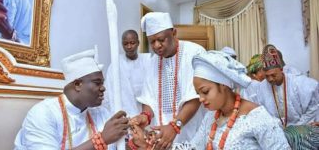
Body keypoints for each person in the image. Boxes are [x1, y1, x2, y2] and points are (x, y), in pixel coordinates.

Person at [130, 51, 291, 149]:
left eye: (205, 91)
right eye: (198, 93)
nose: (201, 99)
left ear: (224, 85)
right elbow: (193, 148)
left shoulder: (257, 117)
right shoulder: (211, 117)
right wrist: (147, 143)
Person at [14, 46, 129, 149]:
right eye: (97, 83)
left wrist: (133, 142)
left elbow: (117, 145)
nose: (103, 88)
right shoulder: (43, 113)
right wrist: (101, 139)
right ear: (78, 85)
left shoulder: (101, 113)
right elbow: (105, 139)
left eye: (102, 83)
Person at [131, 12, 206, 149]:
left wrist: (174, 126)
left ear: (174, 33)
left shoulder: (195, 52)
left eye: (161, 39)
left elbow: (195, 97)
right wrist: (145, 116)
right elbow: (148, 98)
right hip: (162, 136)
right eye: (152, 42)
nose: (156, 46)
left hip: (191, 130)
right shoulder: (152, 62)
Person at [256, 44, 319, 149]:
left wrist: (296, 128)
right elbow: (262, 113)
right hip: (277, 134)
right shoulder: (261, 88)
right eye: (267, 76)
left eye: (273, 75)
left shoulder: (299, 83)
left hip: (303, 131)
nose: (270, 79)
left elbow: (313, 107)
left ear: (281, 69)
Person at [104, 29, 150, 117]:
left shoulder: (147, 61)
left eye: (132, 43)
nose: (129, 46)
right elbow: (109, 92)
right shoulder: (116, 64)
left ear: (138, 43)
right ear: (122, 45)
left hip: (145, 114)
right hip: (124, 114)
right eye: (126, 44)